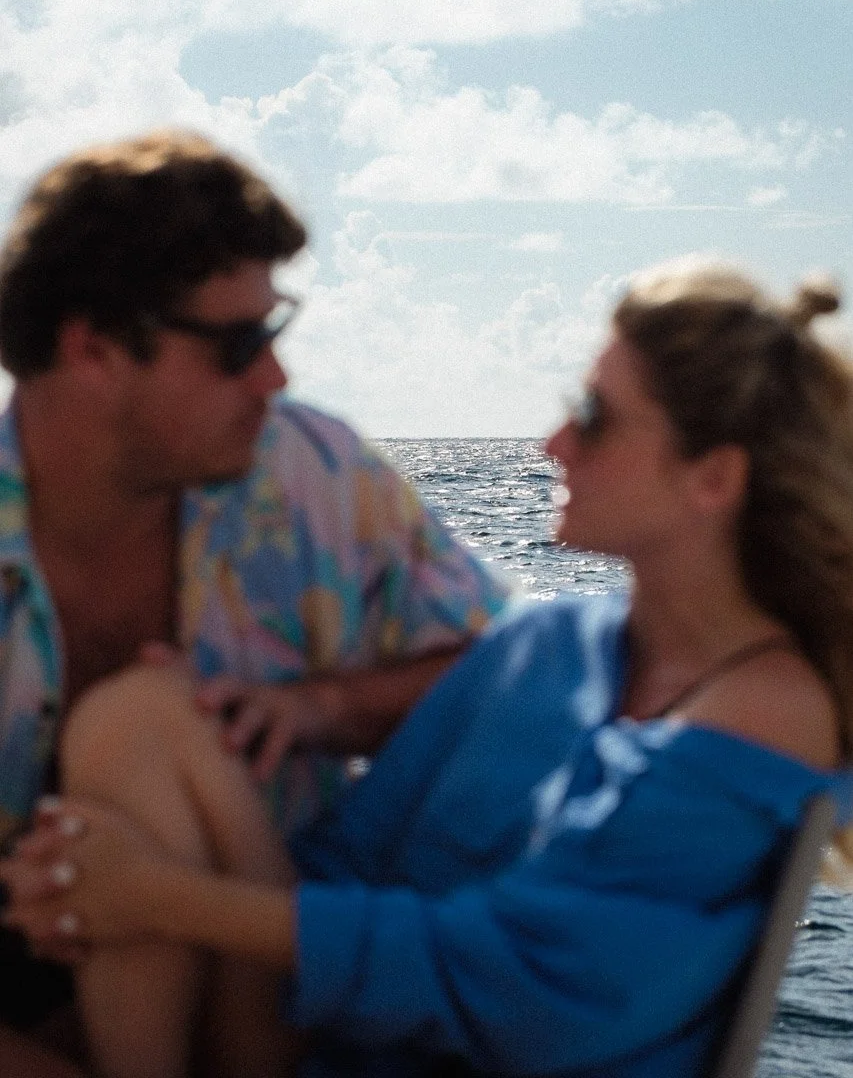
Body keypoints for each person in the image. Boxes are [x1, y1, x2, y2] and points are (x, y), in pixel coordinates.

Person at [4, 258, 853, 1078]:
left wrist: (156, 897)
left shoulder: (762, 710)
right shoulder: (549, 645)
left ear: (712, 478)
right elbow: (353, 858)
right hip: (340, 1045)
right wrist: (108, 900)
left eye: (593, 416)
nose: (554, 443)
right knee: (145, 713)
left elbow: (523, 994)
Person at [0, 131, 508, 1076]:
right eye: (239, 346)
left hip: (262, 1003)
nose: (276, 378)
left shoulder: (313, 475)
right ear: (92, 347)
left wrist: (320, 709)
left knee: (139, 719)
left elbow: (495, 690)